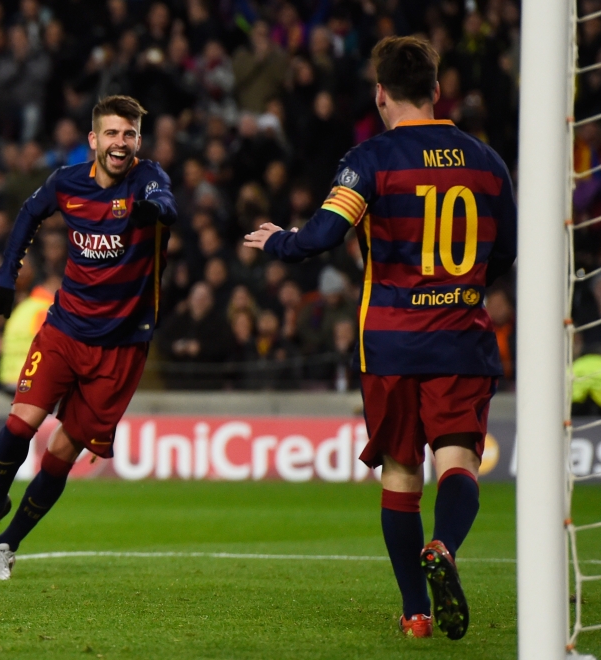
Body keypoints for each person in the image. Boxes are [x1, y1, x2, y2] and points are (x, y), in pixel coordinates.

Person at [244, 36, 516, 641]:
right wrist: (460, 287)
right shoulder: (486, 161)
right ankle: (444, 546)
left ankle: (416, 613)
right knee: (459, 460)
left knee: (400, 473)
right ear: (437, 91)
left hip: (390, 343)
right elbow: (507, 252)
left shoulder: (369, 159)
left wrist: (279, 240)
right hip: (462, 339)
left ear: (380, 93)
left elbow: (322, 235)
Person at [0, 95, 177, 580]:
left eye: (130, 134)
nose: (121, 143)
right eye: (112, 133)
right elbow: (28, 215)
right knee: (20, 422)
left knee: (63, 451)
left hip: (121, 346)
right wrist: (6, 280)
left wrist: (150, 213)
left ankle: (5, 547)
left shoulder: (148, 178)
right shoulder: (67, 183)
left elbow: (165, 203)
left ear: (138, 140)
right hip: (65, 328)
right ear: (93, 140)